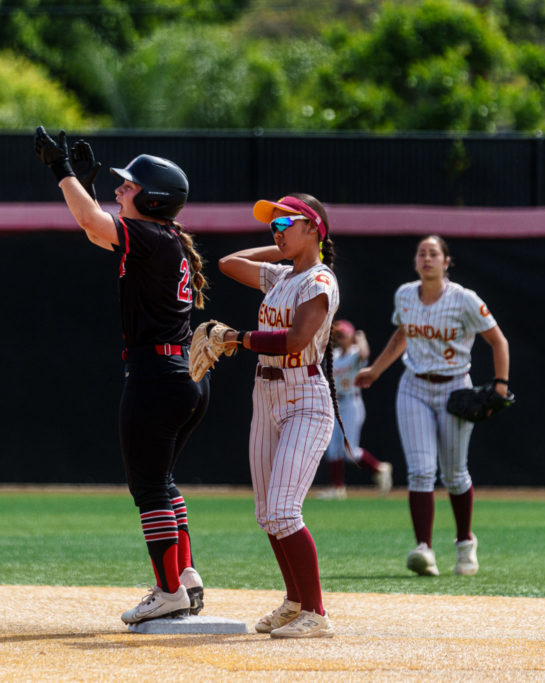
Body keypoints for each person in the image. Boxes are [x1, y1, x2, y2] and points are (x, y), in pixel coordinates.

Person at [33, 127, 210, 624]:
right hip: (185, 375)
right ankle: (185, 576)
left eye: (129, 186)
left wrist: (60, 170)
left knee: (149, 487)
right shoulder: (164, 237)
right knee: (163, 481)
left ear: (153, 198)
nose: (119, 189)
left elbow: (92, 219)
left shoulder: (151, 236)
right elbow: (94, 227)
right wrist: (82, 185)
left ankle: (168, 588)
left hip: (158, 375)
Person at [215, 193, 340, 639]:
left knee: (285, 510)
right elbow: (229, 262)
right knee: (268, 513)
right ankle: (294, 602)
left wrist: (237, 337)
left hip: (304, 396)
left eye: (286, 222)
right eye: (274, 224)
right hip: (265, 393)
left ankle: (317, 613)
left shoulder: (319, 280)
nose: (276, 229)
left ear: (313, 226)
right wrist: (287, 247)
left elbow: (294, 340)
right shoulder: (283, 275)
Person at [355, 235, 510, 577]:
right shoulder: (405, 294)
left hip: (455, 388)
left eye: (433, 253)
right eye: (421, 253)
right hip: (414, 387)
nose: (427, 258)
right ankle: (424, 549)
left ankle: (465, 543)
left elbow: (498, 340)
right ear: (415, 262)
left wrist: (500, 386)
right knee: (421, 470)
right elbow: (402, 335)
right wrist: (376, 371)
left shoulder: (464, 299)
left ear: (446, 262)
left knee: (454, 474)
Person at [318, 319, 393, 500]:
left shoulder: (355, 354)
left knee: (349, 450)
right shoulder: (333, 355)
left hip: (351, 403)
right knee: (332, 448)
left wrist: (360, 337)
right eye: (336, 335)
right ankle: (337, 489)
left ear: (351, 337)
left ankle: (379, 468)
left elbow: (365, 353)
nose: (339, 338)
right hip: (335, 403)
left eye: (342, 335)